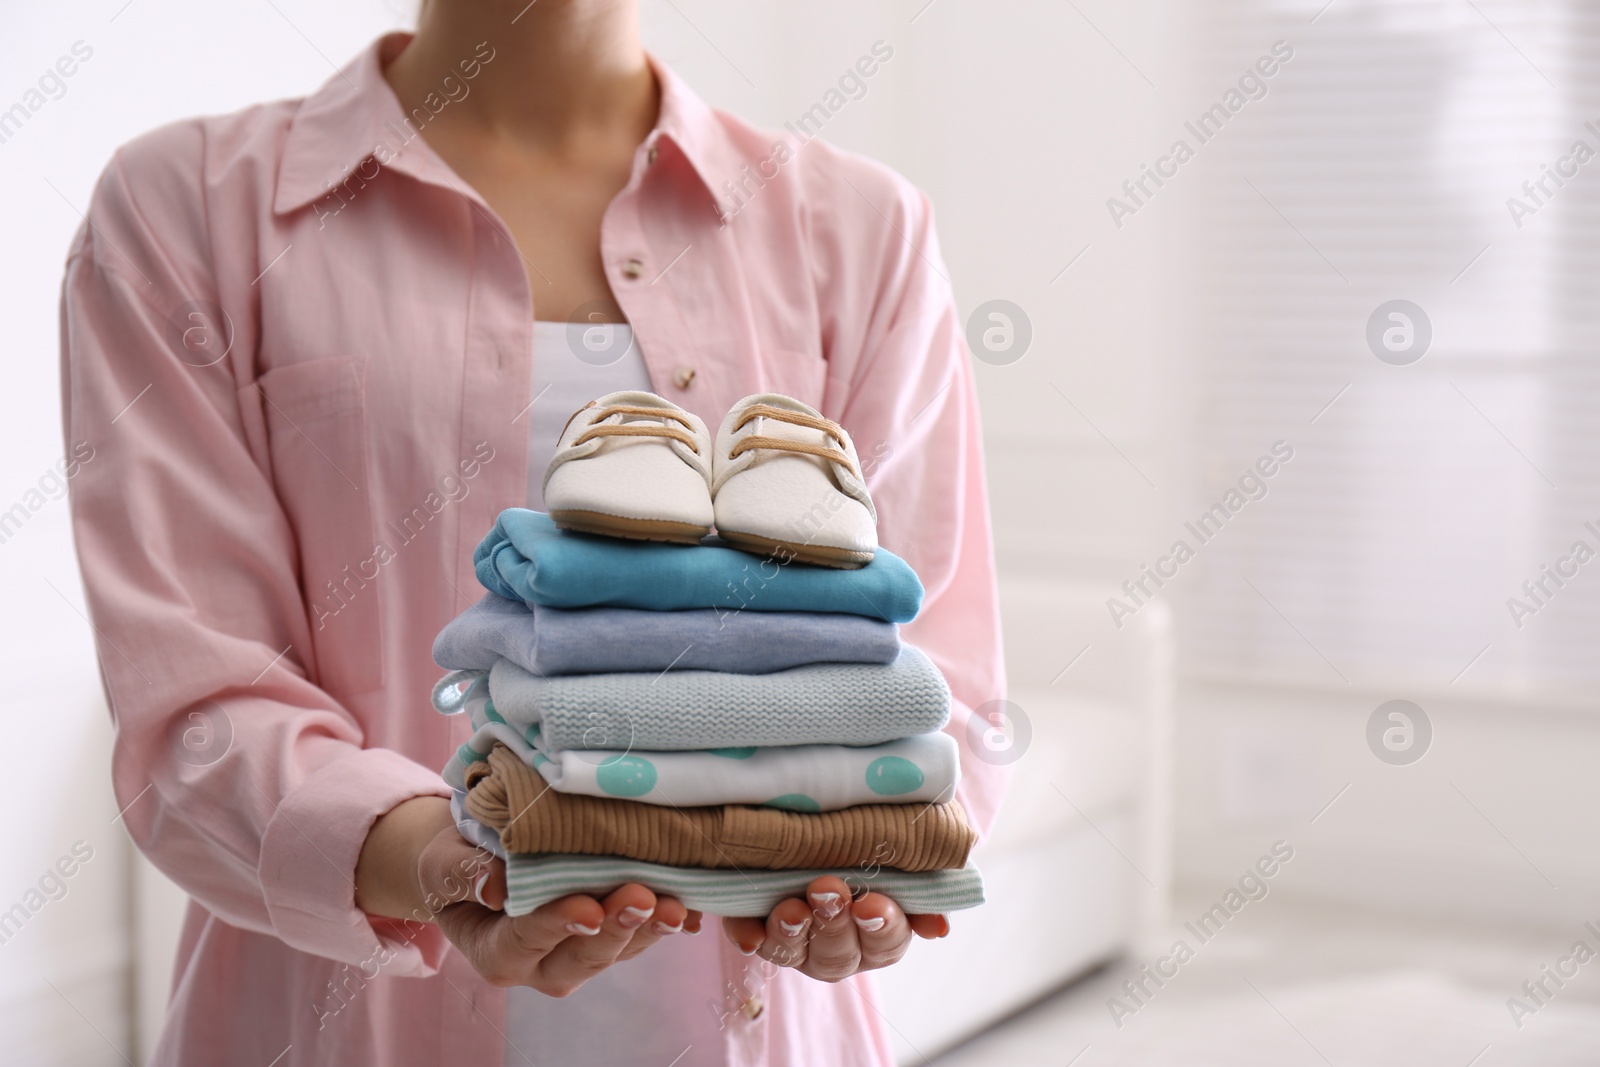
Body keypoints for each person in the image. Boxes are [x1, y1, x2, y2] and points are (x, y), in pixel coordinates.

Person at [59, 1, 1005, 1064]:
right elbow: (192, 699)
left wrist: (865, 855)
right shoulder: (185, 211)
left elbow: (934, 673)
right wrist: (444, 860)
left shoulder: (861, 226)